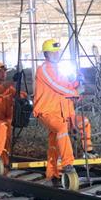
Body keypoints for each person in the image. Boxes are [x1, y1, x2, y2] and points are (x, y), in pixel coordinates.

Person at [33, 38, 80, 185]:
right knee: (61, 129)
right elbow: (57, 86)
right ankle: (68, 164)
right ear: (46, 54)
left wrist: (76, 85)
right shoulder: (43, 70)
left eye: (57, 52)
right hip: (47, 112)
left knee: (55, 141)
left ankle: (53, 173)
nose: (56, 54)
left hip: (60, 113)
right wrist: (74, 92)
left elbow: (67, 91)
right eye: (53, 52)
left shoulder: (59, 71)